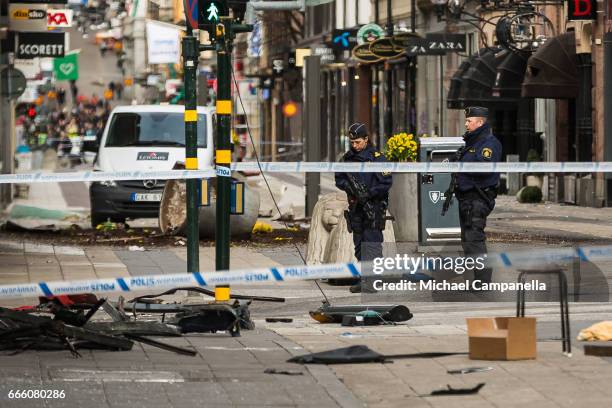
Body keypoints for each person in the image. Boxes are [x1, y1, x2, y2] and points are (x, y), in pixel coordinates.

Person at [335, 122, 393, 293]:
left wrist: (369, 193)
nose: (355, 145)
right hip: (356, 208)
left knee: (373, 244)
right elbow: (339, 179)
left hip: (373, 207)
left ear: (366, 139)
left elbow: (386, 182)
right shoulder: (347, 159)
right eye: (352, 143)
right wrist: (350, 188)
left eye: (358, 142)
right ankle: (364, 279)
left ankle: (374, 280)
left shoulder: (377, 158)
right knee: (359, 245)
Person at [454, 106, 502, 284]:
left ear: (480, 122)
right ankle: (476, 279)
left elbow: (483, 167)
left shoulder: (488, 143)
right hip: (467, 199)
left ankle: (482, 281)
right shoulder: (472, 142)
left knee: (474, 239)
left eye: (469, 120)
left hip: (478, 198)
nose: (466, 123)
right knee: (468, 240)